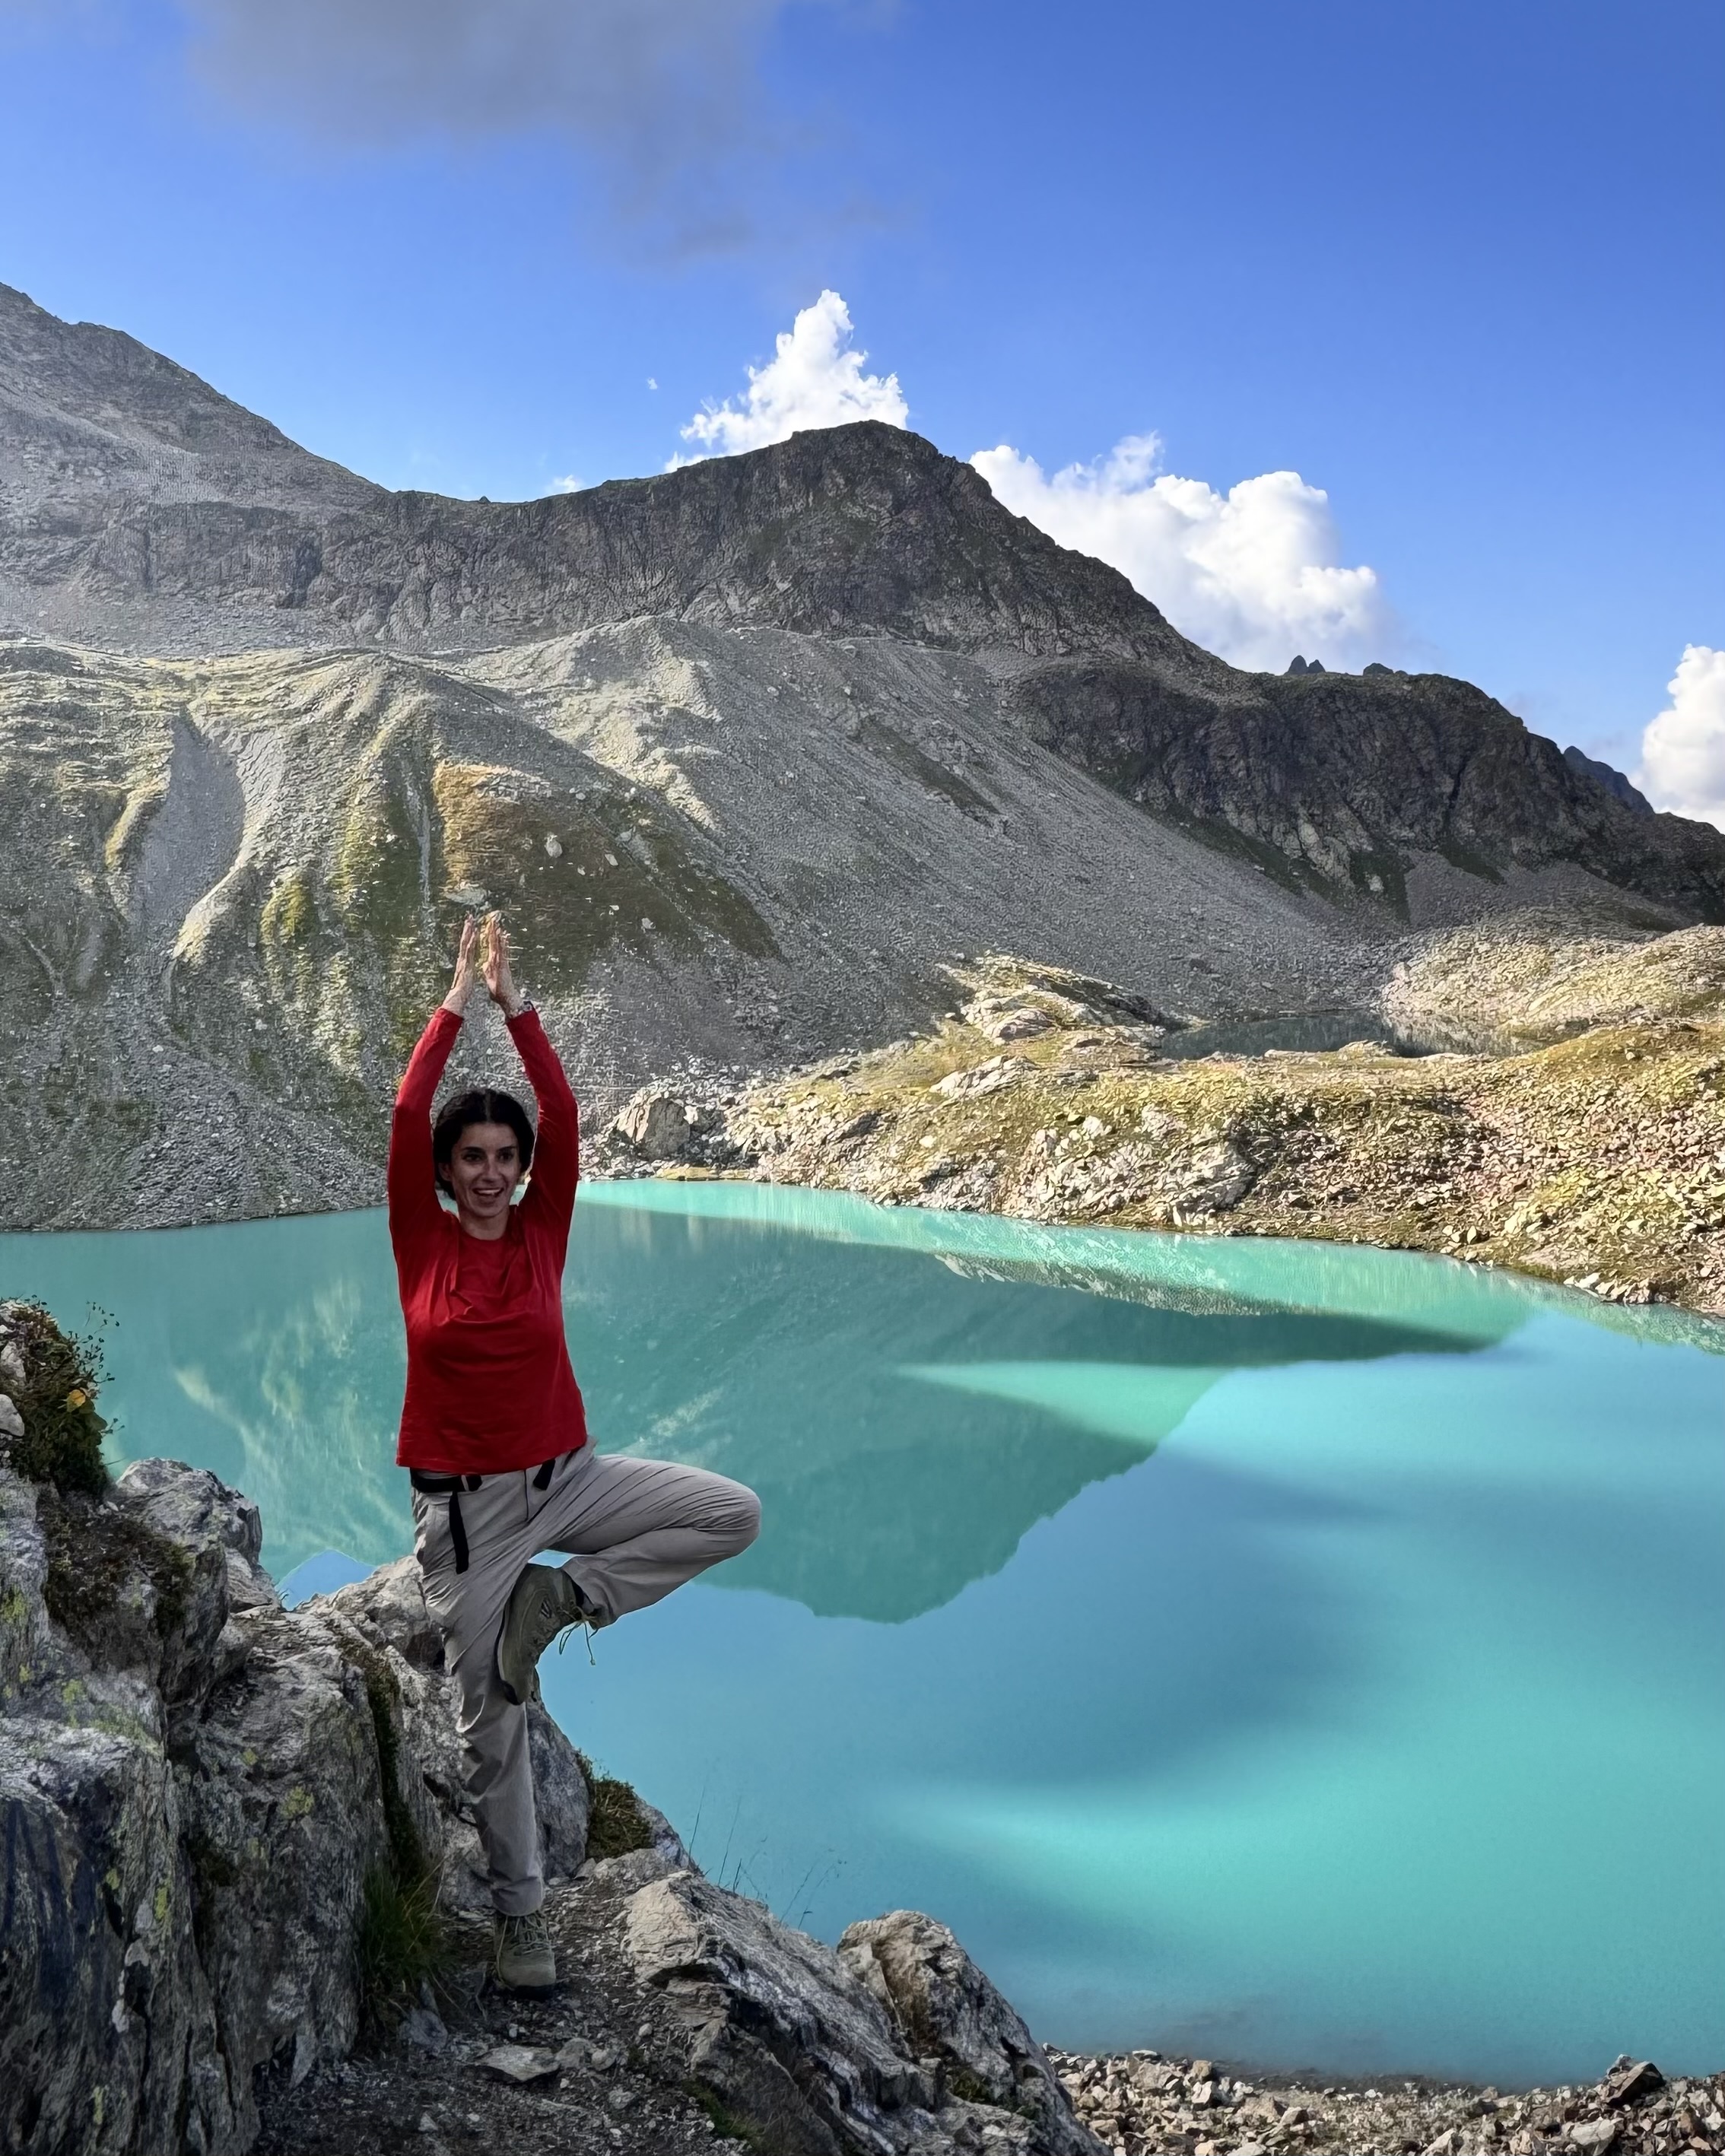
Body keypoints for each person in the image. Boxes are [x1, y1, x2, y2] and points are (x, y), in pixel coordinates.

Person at [388, 912, 761, 1992]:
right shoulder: (425, 1237)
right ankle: (520, 1921)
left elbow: (565, 1111)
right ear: (450, 1172)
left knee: (729, 1512)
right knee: (491, 1723)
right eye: (476, 1158)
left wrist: (521, 1006)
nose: (495, 1171)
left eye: (508, 1157)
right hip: (469, 1514)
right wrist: (457, 1003)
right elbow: (411, 1107)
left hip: (571, 1478)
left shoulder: (547, 1225)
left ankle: (566, 1602)